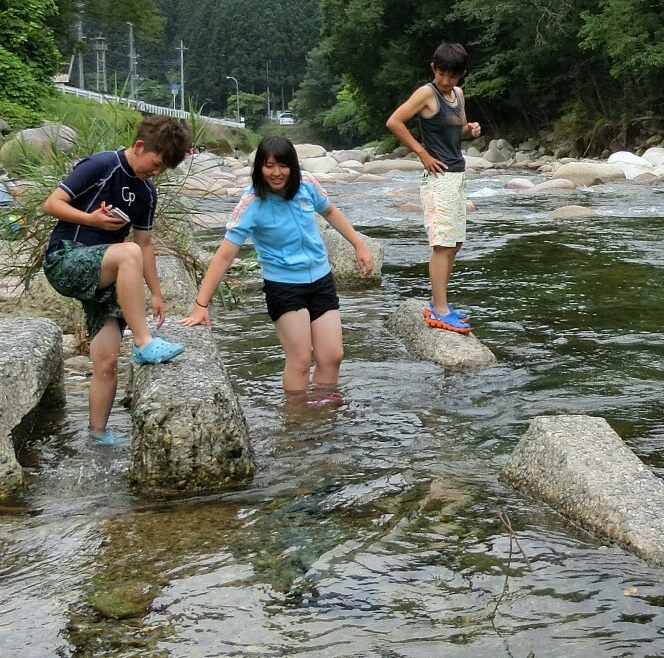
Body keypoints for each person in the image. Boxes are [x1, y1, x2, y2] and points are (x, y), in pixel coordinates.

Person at [39, 114, 193, 444]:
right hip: (65, 258)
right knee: (127, 252)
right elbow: (50, 204)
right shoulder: (102, 165)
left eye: (164, 169)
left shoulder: (147, 193)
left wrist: (156, 293)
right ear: (139, 146)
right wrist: (90, 219)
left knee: (107, 360)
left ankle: (97, 434)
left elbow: (146, 244)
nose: (156, 172)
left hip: (106, 274)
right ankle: (143, 342)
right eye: (156, 163)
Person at [184, 135, 377, 399]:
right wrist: (201, 304)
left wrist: (358, 244)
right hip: (284, 286)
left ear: (293, 166)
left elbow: (330, 211)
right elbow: (224, 256)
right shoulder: (252, 202)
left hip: (321, 279)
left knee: (332, 356)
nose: (277, 173)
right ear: (259, 169)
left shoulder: (306, 184)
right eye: (269, 166)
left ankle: (323, 413)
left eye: (283, 165)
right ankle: (297, 418)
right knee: (300, 361)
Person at [386, 41, 481, 333]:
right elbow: (394, 121)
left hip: (456, 176)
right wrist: (422, 153)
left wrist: (471, 131)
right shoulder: (426, 93)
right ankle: (439, 310)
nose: (446, 80)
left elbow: (459, 130)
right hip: (438, 179)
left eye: (453, 75)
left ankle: (440, 304)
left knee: (455, 243)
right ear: (433, 68)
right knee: (442, 245)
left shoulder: (458, 95)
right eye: (441, 73)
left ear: (461, 74)